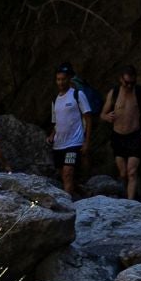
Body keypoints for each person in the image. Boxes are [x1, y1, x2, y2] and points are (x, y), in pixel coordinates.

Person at [103, 65, 141, 199]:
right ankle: (129, 194)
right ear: (120, 79)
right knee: (123, 173)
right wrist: (106, 117)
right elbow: (102, 114)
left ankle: (130, 202)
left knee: (132, 172)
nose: (129, 86)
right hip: (118, 137)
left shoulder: (140, 93)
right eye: (126, 83)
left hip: (134, 136)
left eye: (132, 83)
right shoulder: (114, 93)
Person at [49, 63, 91, 197]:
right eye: (58, 79)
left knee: (68, 173)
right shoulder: (55, 99)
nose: (60, 82)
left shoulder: (77, 95)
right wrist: (51, 135)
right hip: (58, 144)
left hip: (74, 143)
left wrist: (86, 141)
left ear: (69, 79)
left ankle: (67, 208)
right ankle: (83, 194)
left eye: (63, 79)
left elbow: (88, 118)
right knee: (66, 177)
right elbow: (56, 122)